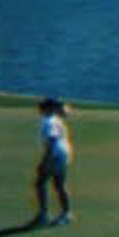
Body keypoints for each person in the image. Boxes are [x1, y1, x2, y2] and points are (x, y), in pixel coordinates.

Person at [33, 97, 72, 227]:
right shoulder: (56, 119)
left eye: (42, 107)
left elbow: (52, 141)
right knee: (59, 185)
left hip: (55, 156)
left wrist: (45, 161)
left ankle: (44, 215)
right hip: (63, 155)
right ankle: (66, 214)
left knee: (40, 183)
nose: (40, 110)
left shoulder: (49, 121)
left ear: (48, 109)